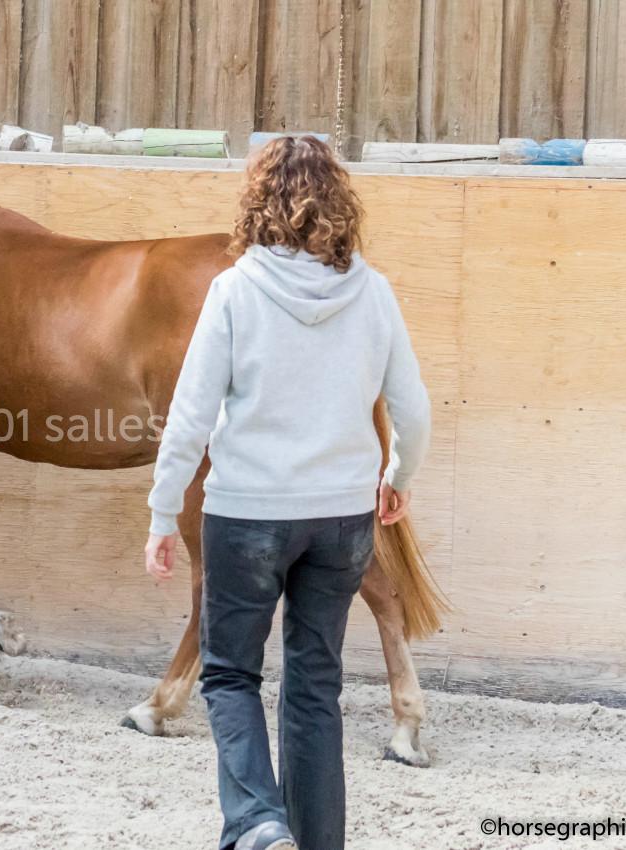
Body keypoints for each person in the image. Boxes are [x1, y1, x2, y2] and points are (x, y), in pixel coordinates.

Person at [144, 136, 431, 850]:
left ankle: (257, 824)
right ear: (339, 202)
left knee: (230, 678)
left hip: (247, 515)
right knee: (313, 689)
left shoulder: (235, 290)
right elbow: (415, 409)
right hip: (341, 520)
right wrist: (396, 480)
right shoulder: (373, 290)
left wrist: (159, 510)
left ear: (258, 202)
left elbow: (190, 415)